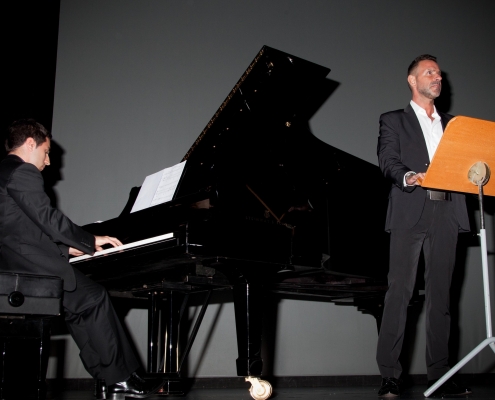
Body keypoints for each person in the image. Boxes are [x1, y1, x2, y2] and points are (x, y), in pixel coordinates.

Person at [0, 119, 159, 399]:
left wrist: (64, 249)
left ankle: (108, 376)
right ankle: (120, 378)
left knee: (82, 304)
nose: (48, 162)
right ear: (29, 144)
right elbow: (47, 218)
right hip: (28, 270)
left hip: (16, 262)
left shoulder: (4, 173)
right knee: (94, 297)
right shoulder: (22, 172)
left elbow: (19, 231)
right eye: (46, 152)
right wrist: (89, 239)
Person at [376, 55, 472, 397]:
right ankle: (390, 375)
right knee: (399, 294)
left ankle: (440, 374)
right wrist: (408, 176)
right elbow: (387, 159)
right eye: (429, 72)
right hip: (410, 210)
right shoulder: (393, 121)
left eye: (439, 72)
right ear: (412, 81)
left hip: (447, 211)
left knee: (441, 298)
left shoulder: (454, 124)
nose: (437, 76)